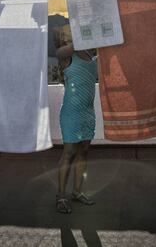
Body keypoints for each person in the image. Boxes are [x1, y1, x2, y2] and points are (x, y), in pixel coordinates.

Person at [54, 25, 97, 214]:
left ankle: (77, 192)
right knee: (69, 153)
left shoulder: (90, 54)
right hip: (71, 113)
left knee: (84, 152)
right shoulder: (65, 54)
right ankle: (61, 197)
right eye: (66, 33)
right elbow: (64, 49)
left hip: (88, 112)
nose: (69, 34)